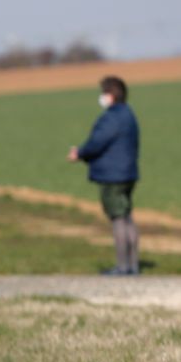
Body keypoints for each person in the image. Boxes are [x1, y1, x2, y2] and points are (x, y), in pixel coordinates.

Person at [68, 76, 140, 275]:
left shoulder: (111, 117)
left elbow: (97, 142)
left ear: (111, 95)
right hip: (128, 173)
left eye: (104, 93)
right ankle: (133, 265)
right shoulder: (128, 114)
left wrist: (79, 153)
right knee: (127, 217)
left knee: (118, 218)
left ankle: (123, 266)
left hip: (113, 177)